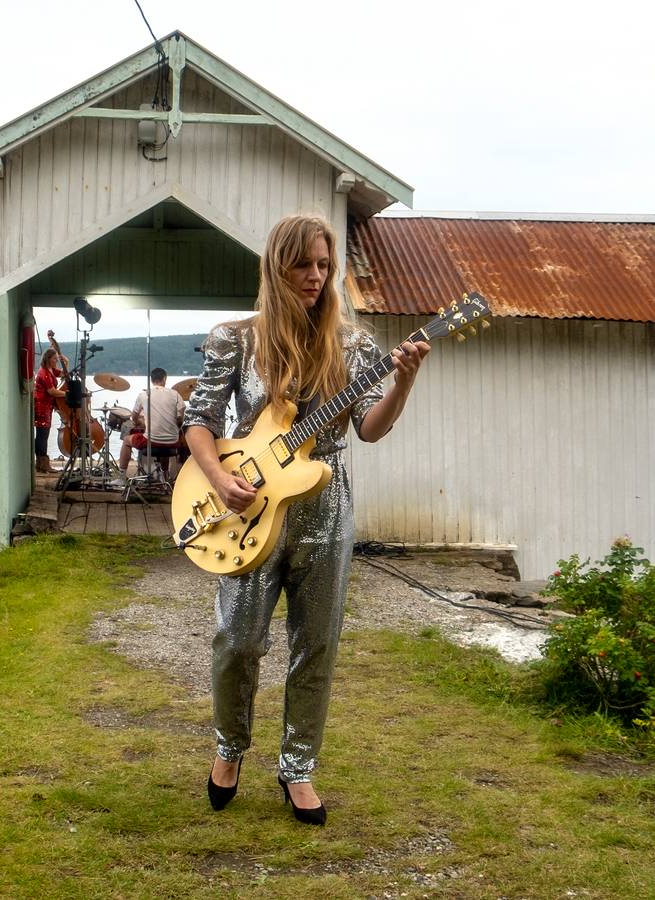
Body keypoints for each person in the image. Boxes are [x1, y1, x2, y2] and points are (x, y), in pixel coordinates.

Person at [182, 214, 430, 826]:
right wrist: (218, 479)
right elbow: (199, 420)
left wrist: (402, 382)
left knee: (316, 643)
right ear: (276, 266)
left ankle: (298, 766)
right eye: (303, 265)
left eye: (324, 265)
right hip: (250, 503)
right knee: (237, 639)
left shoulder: (354, 344)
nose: (315, 277)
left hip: (327, 502)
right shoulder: (234, 339)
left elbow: (369, 427)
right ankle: (229, 748)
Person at [131, 367, 185, 480]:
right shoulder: (175, 394)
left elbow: (134, 416)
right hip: (172, 442)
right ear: (165, 379)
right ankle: (164, 475)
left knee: (127, 440)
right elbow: (181, 419)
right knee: (165, 440)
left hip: (151, 442)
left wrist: (138, 422)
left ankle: (121, 476)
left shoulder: (144, 395)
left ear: (151, 380)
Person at [32, 349, 66, 473]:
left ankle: (41, 464)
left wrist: (65, 361)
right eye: (54, 358)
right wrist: (66, 395)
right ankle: (42, 463)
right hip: (41, 406)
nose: (56, 360)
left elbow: (63, 373)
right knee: (42, 435)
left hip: (47, 405)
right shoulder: (44, 373)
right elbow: (51, 391)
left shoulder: (50, 370)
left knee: (43, 435)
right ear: (48, 359)